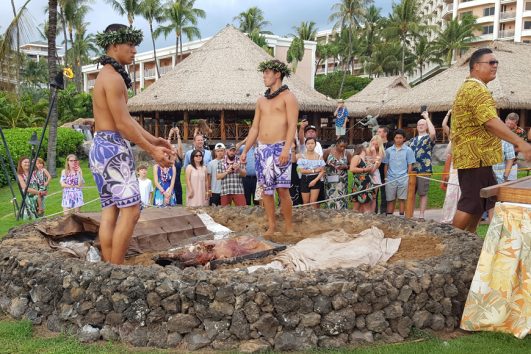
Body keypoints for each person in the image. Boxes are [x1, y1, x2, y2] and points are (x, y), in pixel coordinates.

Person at [90, 24, 175, 264]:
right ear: (115, 46)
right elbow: (123, 126)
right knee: (132, 210)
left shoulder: (105, 76)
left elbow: (126, 121)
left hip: (100, 148)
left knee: (111, 210)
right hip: (113, 149)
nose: (135, 50)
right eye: (130, 44)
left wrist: (153, 139)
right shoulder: (113, 79)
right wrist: (152, 151)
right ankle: (116, 270)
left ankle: (108, 266)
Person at [450, 47, 531, 233]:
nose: (495, 66)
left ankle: (468, 243)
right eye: (491, 62)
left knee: (481, 203)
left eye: (497, 63)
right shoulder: (475, 89)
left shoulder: (474, 88)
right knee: (470, 203)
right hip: (475, 157)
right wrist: (520, 143)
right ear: (476, 67)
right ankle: (450, 247)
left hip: (479, 158)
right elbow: (491, 122)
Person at [241, 59, 298, 237]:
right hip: (262, 149)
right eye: (263, 73)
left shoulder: (289, 97)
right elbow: (254, 128)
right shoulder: (261, 101)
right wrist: (244, 151)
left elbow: (292, 125)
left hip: (281, 146)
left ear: (277, 74)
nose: (264, 76)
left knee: (282, 189)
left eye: (267, 73)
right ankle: (272, 226)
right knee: (266, 190)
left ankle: (289, 227)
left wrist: (286, 149)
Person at [410, 111, 436, 220]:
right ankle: (409, 214)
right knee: (411, 192)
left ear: (426, 126)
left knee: (422, 192)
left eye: (422, 124)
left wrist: (427, 118)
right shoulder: (412, 140)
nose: (420, 126)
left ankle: (421, 215)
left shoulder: (428, 138)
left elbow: (433, 133)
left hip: (424, 169)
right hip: (412, 170)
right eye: (419, 125)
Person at [383, 129, 415, 216]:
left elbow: (410, 164)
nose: (398, 139)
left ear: (404, 139)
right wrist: (386, 177)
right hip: (390, 178)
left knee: (402, 198)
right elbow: (386, 165)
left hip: (403, 178)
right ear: (394, 138)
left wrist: (407, 176)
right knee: (390, 199)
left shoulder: (408, 150)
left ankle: (401, 216)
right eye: (396, 138)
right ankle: (389, 217)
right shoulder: (389, 151)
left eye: (400, 138)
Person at [440, 110, 461, 224]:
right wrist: (449, 113)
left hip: (463, 165)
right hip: (453, 166)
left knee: (461, 192)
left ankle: (457, 217)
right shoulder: (452, 134)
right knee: (451, 192)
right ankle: (448, 217)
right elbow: (444, 125)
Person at [323, 136, 352, 209]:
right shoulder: (328, 151)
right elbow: (321, 163)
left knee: (341, 198)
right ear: (336, 144)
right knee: (330, 197)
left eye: (345, 147)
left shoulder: (347, 153)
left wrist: (346, 167)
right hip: (330, 180)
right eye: (341, 146)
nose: (343, 148)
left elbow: (351, 166)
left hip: (342, 181)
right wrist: (329, 165)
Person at [297, 137, 325, 208]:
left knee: (313, 202)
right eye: (308, 143)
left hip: (316, 179)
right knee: (305, 203)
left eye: (312, 143)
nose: (310, 145)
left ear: (315, 145)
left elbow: (322, 171)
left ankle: (314, 218)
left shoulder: (319, 157)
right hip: (304, 179)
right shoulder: (302, 156)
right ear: (305, 145)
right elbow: (302, 170)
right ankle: (305, 218)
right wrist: (314, 170)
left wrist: (315, 181)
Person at [350, 145, 376, 213]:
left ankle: (363, 221)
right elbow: (352, 168)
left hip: (366, 183)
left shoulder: (365, 159)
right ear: (362, 149)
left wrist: (373, 164)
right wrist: (364, 169)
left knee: (365, 204)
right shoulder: (356, 157)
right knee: (359, 205)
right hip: (360, 183)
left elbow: (370, 171)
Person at [375, 126, 393, 214]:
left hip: (385, 172)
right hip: (375, 172)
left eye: (379, 132)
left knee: (384, 194)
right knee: (374, 194)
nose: (377, 133)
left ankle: (383, 213)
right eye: (377, 132)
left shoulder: (390, 145)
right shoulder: (375, 145)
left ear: (385, 133)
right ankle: (373, 212)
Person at [236, 137, 258, 205]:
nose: (254, 139)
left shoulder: (260, 148)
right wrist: (245, 140)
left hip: (257, 179)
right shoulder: (245, 148)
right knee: (246, 200)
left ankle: (257, 215)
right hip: (246, 178)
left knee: (257, 200)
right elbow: (235, 147)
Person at [365, 135, 385, 212]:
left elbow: (374, 169)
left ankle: (372, 213)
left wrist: (374, 153)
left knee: (374, 196)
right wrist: (373, 152)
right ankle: (366, 211)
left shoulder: (381, 153)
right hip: (366, 173)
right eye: (373, 144)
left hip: (375, 174)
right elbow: (369, 164)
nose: (374, 146)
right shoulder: (367, 150)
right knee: (366, 195)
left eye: (376, 144)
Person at [168, 127, 185, 205]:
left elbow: (180, 147)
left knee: (178, 204)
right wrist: (170, 135)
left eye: (175, 148)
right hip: (168, 184)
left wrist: (178, 134)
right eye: (172, 147)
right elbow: (166, 146)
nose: (174, 148)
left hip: (177, 184)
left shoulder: (179, 158)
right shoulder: (167, 159)